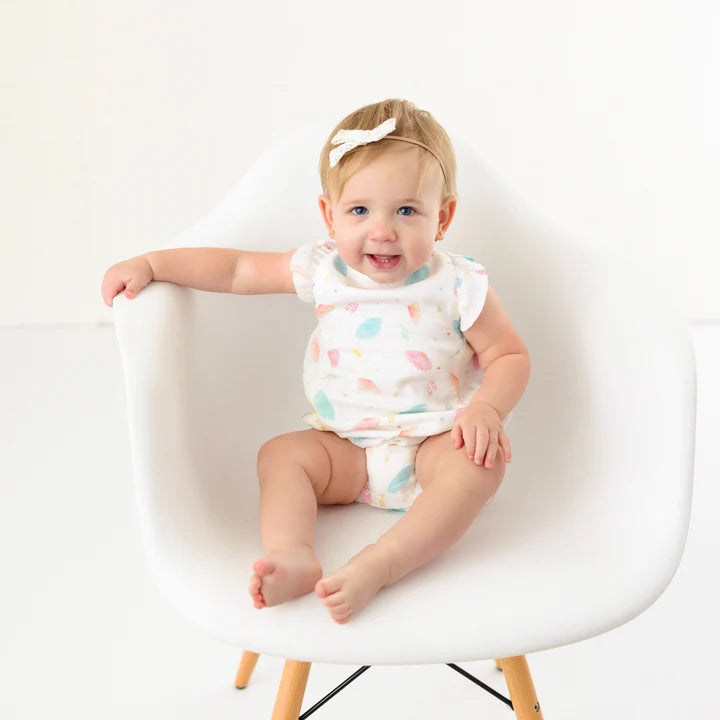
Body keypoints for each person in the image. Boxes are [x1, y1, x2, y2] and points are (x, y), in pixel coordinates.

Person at [101, 98, 531, 624]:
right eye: (359, 211)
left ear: (442, 217)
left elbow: (508, 354)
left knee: (479, 468)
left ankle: (382, 563)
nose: (382, 230)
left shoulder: (459, 283)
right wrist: (153, 263)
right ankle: (292, 554)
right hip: (345, 450)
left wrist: (487, 409)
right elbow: (236, 270)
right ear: (330, 216)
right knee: (280, 456)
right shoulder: (322, 270)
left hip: (434, 445)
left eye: (406, 211)